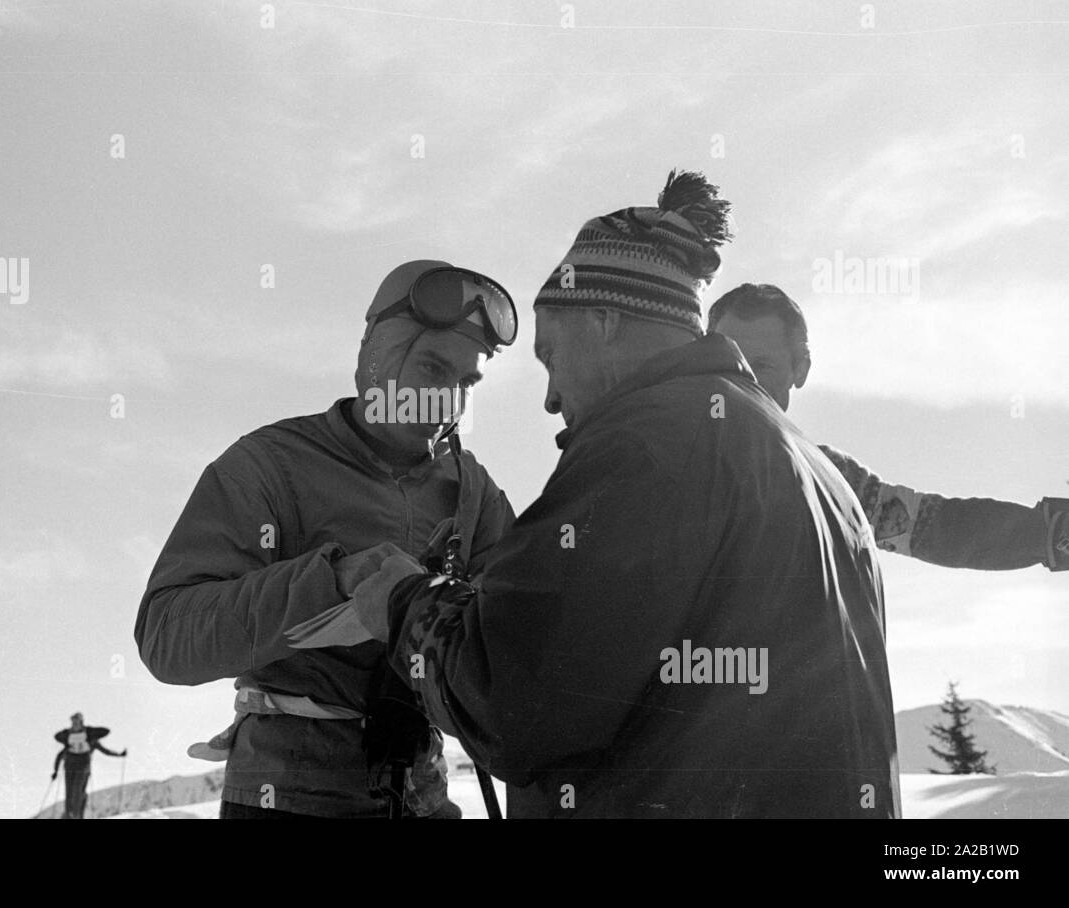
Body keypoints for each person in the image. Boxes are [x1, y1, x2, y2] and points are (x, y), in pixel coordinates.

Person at [317, 171, 900, 817]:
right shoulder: (810, 467)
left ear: (604, 321)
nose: (549, 398)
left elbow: (517, 702)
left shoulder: (646, 444)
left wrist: (403, 602)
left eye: (549, 356)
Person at [135, 260, 518, 818]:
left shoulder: (471, 492)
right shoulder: (269, 466)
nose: (448, 400)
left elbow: (519, 641)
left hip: (420, 794)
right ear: (379, 358)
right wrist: (334, 581)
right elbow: (167, 637)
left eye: (466, 382)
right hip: (288, 795)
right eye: (434, 369)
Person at [707, 283, 1068, 571]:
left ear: (799, 369)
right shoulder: (666, 447)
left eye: (762, 365)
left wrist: (1050, 534)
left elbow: (935, 529)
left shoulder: (828, 480)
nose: (743, 380)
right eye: (728, 360)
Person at [51, 712, 126, 819]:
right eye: (73, 722)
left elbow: (106, 746)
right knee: (69, 793)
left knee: (77, 791)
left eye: (76, 722)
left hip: (83, 766)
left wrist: (119, 755)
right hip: (70, 767)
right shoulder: (68, 738)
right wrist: (55, 771)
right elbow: (59, 755)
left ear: (81, 722)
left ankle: (76, 815)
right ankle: (69, 815)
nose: (74, 724)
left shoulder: (90, 738)